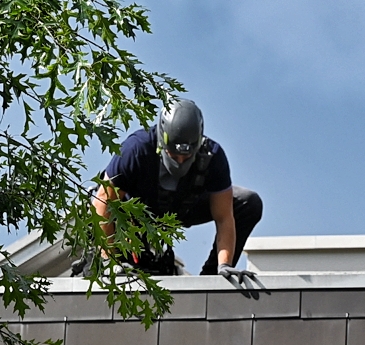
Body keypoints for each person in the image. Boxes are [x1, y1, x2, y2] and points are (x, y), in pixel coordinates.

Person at [97, 98, 263, 275]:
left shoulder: (213, 156)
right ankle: (115, 262)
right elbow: (103, 202)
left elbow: (224, 218)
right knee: (103, 204)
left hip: (184, 206)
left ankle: (213, 275)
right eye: (174, 156)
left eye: (186, 156)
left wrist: (225, 264)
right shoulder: (136, 149)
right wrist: (110, 260)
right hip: (138, 211)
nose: (180, 162)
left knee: (249, 202)